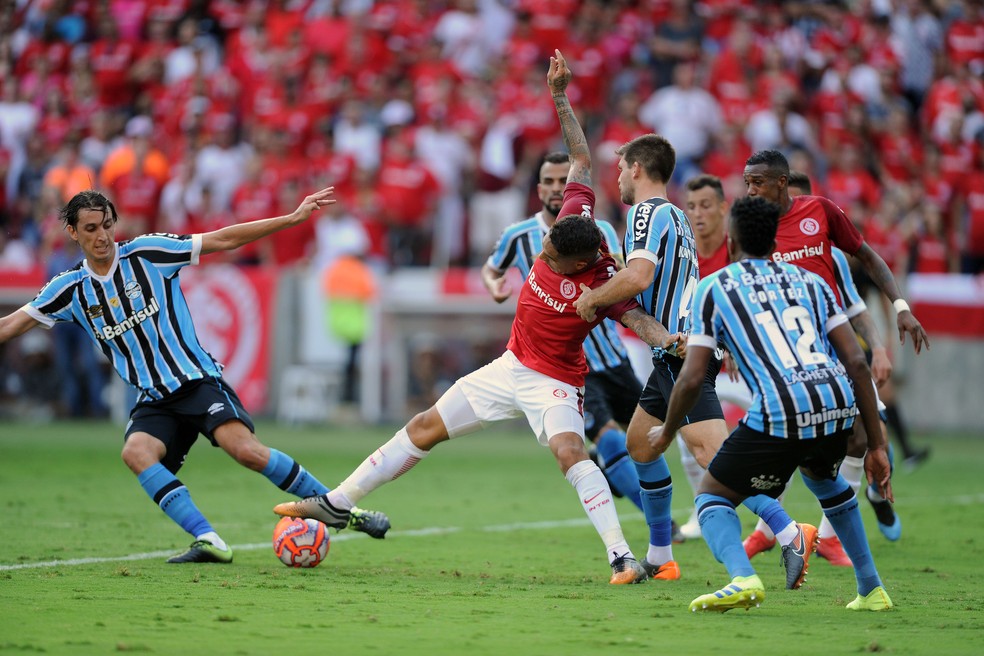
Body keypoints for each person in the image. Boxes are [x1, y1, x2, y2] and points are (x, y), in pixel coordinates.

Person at [275, 50, 683, 585]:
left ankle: (621, 557)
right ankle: (336, 502)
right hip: (509, 366)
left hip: (555, 383)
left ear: (582, 264)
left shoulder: (603, 286)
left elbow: (637, 321)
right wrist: (559, 94)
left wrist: (669, 340)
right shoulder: (571, 218)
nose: (543, 261)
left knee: (569, 453)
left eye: (553, 261)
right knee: (424, 426)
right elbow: (581, 156)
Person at [0, 186, 391, 564]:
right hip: (154, 399)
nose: (102, 236)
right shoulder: (69, 290)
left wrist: (291, 218)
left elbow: (223, 239)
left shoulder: (148, 253)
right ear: (72, 232)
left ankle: (342, 510)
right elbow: (11, 325)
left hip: (196, 381)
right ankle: (209, 540)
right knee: (136, 453)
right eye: (90, 229)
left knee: (247, 452)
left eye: (107, 226)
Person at [573, 136, 811, 586]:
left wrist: (594, 298)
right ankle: (661, 555)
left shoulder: (645, 212)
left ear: (638, 169)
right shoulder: (678, 217)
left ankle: (789, 530)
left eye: (622, 168)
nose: (619, 177)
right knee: (642, 444)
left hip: (683, 353)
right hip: (675, 350)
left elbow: (639, 276)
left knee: (714, 457)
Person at [651, 195, 894, 613]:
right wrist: (875, 444)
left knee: (712, 498)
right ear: (775, 242)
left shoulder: (715, 287)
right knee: (824, 480)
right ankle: (871, 589)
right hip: (836, 400)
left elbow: (692, 377)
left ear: (731, 239)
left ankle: (743, 578)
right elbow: (856, 359)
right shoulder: (813, 283)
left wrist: (669, 430)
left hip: (782, 406)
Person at [743, 171, 905, 565]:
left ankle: (847, 521)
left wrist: (879, 349)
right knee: (786, 438)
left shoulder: (830, 254)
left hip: (836, 357)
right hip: (784, 361)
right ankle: (768, 531)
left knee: (866, 439)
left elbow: (855, 308)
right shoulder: (760, 247)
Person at [481, 151, 650, 522]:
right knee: (605, 434)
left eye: (563, 180)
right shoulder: (519, 235)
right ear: (540, 188)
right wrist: (495, 286)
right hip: (567, 363)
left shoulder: (599, 231)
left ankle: (617, 477)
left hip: (613, 355)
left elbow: (619, 277)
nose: (558, 188)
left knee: (647, 436)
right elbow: (491, 269)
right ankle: (663, 527)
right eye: (551, 181)